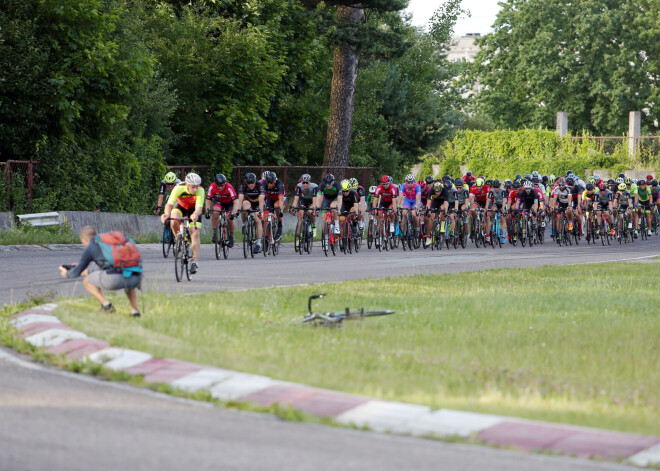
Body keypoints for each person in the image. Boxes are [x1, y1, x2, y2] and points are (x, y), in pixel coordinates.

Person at [59, 226, 142, 317]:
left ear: (85, 239)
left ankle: (107, 305)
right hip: (135, 278)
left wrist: (66, 273)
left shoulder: (91, 247)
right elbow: (106, 267)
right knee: (127, 271)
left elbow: (75, 273)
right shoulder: (107, 244)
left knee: (87, 280)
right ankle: (135, 311)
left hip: (114, 281)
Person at [161, 173, 204, 274]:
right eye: (193, 187)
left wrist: (195, 215)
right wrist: (166, 214)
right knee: (173, 219)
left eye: (197, 186)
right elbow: (169, 204)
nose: (195, 189)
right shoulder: (178, 188)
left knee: (195, 233)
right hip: (181, 207)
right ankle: (178, 240)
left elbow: (198, 209)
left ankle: (195, 262)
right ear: (187, 185)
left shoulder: (200, 190)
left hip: (193, 210)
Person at [205, 173, 239, 247]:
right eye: (219, 186)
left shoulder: (229, 187)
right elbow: (208, 200)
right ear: (215, 184)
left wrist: (233, 212)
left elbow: (236, 201)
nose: (220, 187)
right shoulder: (212, 186)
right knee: (215, 212)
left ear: (225, 183)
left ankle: (231, 236)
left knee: (229, 218)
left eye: (222, 185)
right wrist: (207, 211)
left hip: (229, 203)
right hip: (219, 201)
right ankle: (215, 233)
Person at [237, 172, 265, 254]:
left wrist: (260, 211)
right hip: (248, 201)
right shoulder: (243, 185)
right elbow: (240, 198)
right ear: (246, 182)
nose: (251, 185)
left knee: (257, 220)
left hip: (257, 203)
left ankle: (259, 243)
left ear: (255, 181)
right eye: (249, 183)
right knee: (244, 208)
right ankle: (244, 223)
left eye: (252, 183)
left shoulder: (259, 185)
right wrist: (238, 210)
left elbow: (261, 199)